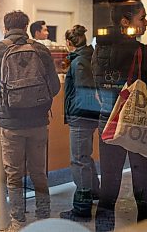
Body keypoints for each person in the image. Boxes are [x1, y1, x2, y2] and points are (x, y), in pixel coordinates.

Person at [0, 11, 60, 232]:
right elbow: (55, 86)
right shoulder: (41, 49)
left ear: (6, 27)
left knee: (13, 175)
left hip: (10, 123)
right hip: (38, 122)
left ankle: (17, 222)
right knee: (39, 173)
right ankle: (43, 218)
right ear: (26, 27)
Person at [91, 0, 147, 231]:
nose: (146, 22)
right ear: (126, 22)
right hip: (140, 125)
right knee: (144, 189)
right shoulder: (145, 53)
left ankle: (104, 229)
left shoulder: (99, 51)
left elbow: (94, 86)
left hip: (110, 122)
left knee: (109, 186)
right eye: (142, 18)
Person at [59, 25, 100, 222]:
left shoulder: (80, 62)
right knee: (85, 156)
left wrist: (75, 110)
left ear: (69, 43)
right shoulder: (86, 57)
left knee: (79, 159)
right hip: (88, 115)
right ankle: (94, 192)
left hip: (81, 116)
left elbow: (85, 91)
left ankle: (82, 207)